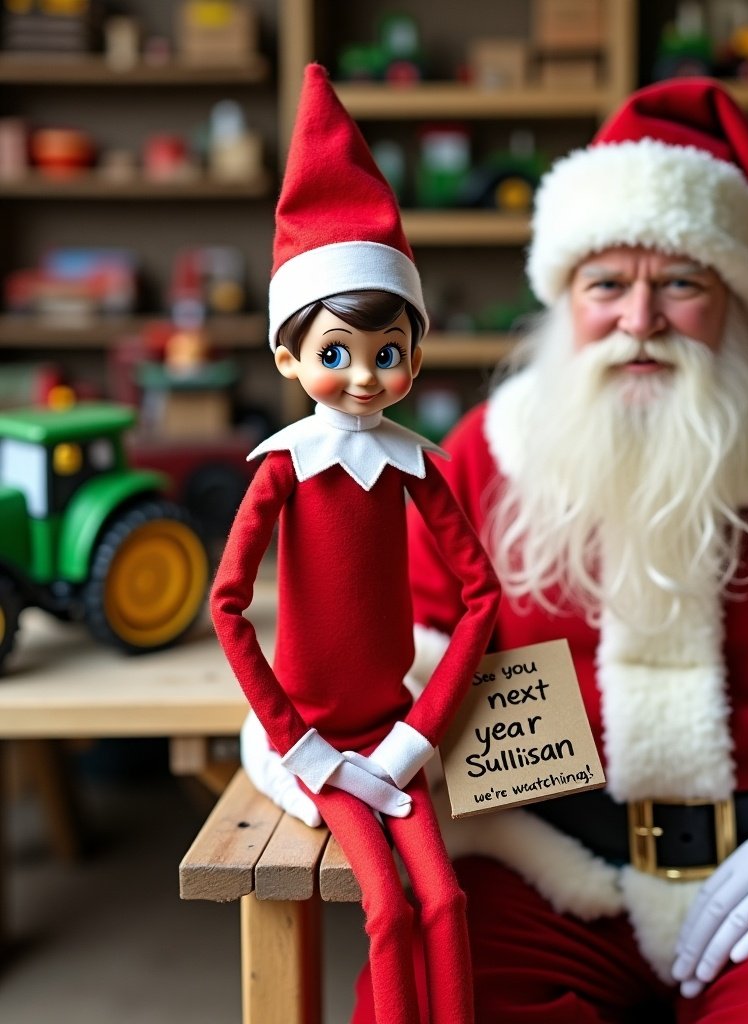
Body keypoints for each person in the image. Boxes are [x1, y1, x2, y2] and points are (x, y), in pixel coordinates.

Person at [242, 78, 748, 1022]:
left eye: (682, 284)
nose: (641, 319)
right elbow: (400, 636)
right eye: (607, 283)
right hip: (541, 862)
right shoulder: (492, 446)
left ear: (738, 299)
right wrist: (325, 731)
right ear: (566, 297)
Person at [211, 65, 500, 1024]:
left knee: (448, 898)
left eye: (388, 353)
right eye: (336, 355)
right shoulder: (282, 469)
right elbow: (225, 606)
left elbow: (480, 598)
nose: (366, 378)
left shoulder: (419, 467)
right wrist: (299, 744)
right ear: (288, 358)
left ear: (415, 355)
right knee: (382, 907)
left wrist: (422, 732)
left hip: (395, 726)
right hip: (315, 739)